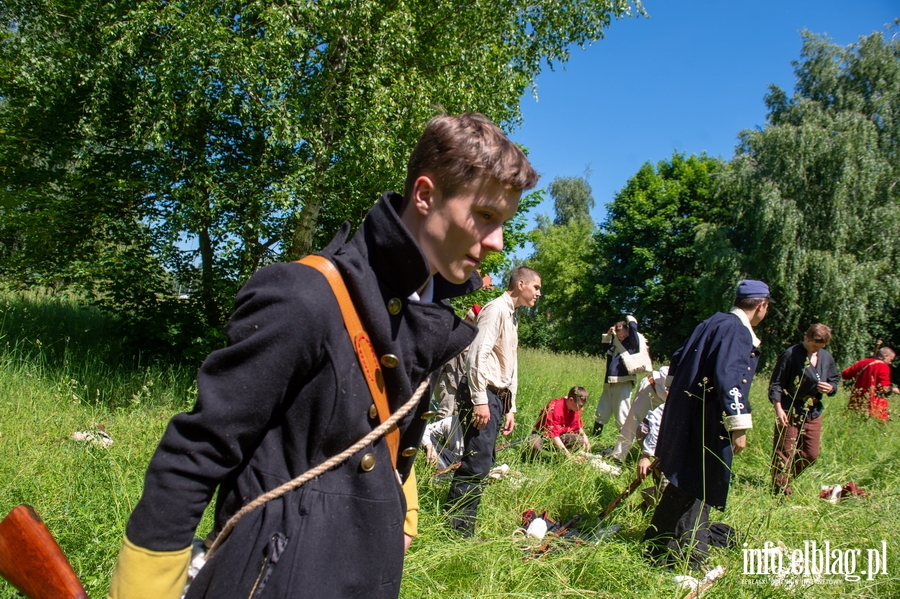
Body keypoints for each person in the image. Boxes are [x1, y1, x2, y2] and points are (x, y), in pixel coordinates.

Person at [107, 113, 539, 599]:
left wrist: (396, 509)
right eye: (484, 216)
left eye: (502, 223)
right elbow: (194, 453)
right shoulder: (307, 296)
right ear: (425, 196)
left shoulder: (421, 316)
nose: (497, 242)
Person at [643, 280, 771, 570]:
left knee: (680, 479)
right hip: (707, 419)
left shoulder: (711, 322)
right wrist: (738, 425)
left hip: (684, 412)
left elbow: (677, 360)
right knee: (700, 485)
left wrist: (678, 400)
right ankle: (688, 557)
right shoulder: (738, 331)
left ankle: (656, 545)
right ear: (761, 305)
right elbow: (730, 377)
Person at [444, 265, 542, 536]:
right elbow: (477, 354)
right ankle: (457, 530)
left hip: (496, 396)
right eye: (536, 288)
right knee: (477, 462)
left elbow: (510, 364)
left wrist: (509, 407)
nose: (538, 294)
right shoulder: (496, 309)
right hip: (482, 392)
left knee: (483, 460)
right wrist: (479, 400)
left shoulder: (512, 316)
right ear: (521, 284)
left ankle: (460, 521)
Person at [768, 324, 840, 495]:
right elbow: (776, 384)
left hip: (813, 410)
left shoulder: (826, 358)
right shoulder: (790, 355)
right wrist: (778, 409)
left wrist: (830, 388)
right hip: (790, 407)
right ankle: (779, 492)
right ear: (806, 338)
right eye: (814, 345)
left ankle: (787, 478)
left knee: (811, 454)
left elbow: (835, 380)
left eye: (820, 347)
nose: (816, 350)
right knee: (784, 452)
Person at [593, 315, 652, 436]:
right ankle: (595, 436)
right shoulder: (615, 344)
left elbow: (633, 329)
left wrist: (629, 319)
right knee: (602, 411)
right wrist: (609, 333)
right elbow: (605, 348)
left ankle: (626, 441)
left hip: (624, 382)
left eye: (624, 335)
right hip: (610, 382)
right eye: (619, 336)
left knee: (622, 413)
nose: (622, 337)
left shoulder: (632, 342)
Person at [609, 367, 669, 463]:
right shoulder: (689, 364)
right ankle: (618, 457)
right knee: (632, 423)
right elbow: (664, 370)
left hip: (664, 399)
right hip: (650, 388)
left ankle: (657, 462)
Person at [433, 304, 480, 419]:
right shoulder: (455, 329)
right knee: (445, 414)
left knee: (455, 417)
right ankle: (431, 436)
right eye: (469, 319)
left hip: (459, 382)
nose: (469, 322)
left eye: (472, 321)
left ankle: (446, 437)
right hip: (447, 378)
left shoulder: (473, 337)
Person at [527, 386, 591, 457]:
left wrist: (584, 436)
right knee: (534, 445)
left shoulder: (575, 408)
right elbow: (553, 435)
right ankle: (539, 459)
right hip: (542, 435)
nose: (582, 408)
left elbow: (577, 425)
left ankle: (560, 457)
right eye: (580, 405)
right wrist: (569, 456)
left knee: (579, 440)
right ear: (571, 399)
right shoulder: (555, 407)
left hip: (561, 435)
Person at [843, 347, 900, 421]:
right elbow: (884, 388)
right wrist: (894, 390)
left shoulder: (862, 362)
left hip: (856, 403)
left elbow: (845, 374)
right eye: (891, 360)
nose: (890, 363)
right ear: (885, 356)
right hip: (874, 407)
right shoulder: (883, 366)